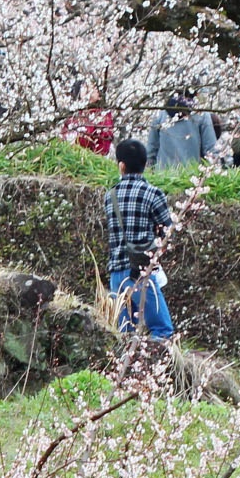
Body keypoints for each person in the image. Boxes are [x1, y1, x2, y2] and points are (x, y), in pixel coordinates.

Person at [104, 137, 176, 341]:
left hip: (116, 273)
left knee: (124, 334)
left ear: (121, 166)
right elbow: (168, 230)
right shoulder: (153, 193)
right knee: (162, 330)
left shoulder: (110, 196)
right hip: (141, 273)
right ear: (145, 165)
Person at [147, 90, 219, 171]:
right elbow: (211, 150)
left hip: (163, 177)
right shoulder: (202, 115)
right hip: (192, 177)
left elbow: (151, 151)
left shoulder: (159, 114)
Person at [63, 82, 117, 157]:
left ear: (99, 96)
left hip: (89, 159)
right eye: (85, 86)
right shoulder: (73, 115)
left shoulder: (102, 116)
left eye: (94, 88)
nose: (90, 90)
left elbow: (103, 145)